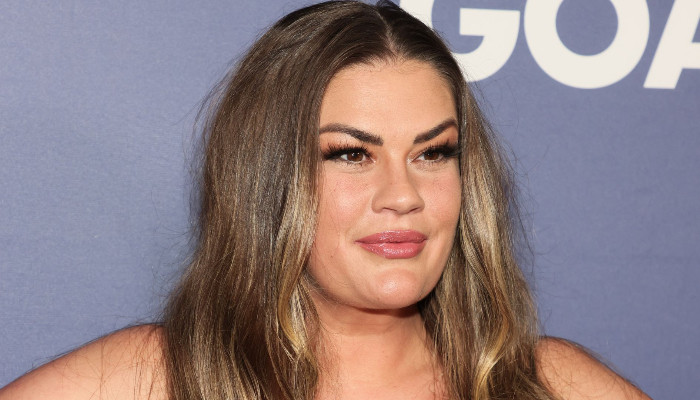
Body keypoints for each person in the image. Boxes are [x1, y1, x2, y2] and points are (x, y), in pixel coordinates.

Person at [0, 1, 650, 399]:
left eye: (433, 153)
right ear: (267, 179)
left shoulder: (553, 386)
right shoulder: (150, 381)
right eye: (350, 154)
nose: (403, 196)